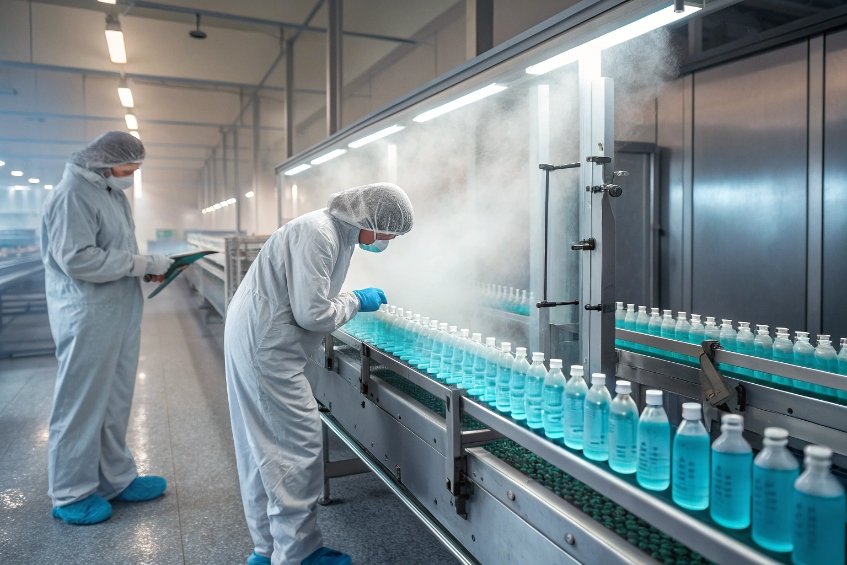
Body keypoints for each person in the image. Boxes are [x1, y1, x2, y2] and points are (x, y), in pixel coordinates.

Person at [225, 183, 414, 565]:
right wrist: (357, 300)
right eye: (388, 233)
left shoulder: (333, 233)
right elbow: (312, 313)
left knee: (261, 448)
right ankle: (296, 555)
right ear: (370, 219)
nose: (387, 242)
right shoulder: (319, 234)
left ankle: (267, 549)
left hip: (257, 339)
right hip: (268, 349)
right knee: (294, 450)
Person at [41, 131, 174, 525]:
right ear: (104, 161)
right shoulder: (72, 195)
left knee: (114, 401)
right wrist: (142, 264)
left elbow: (113, 250)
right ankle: (70, 492)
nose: (134, 172)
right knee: (80, 404)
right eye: (130, 164)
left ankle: (115, 478)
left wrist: (144, 268)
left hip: (117, 310)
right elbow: (77, 260)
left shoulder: (111, 194)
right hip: (87, 314)